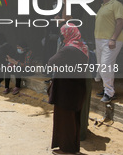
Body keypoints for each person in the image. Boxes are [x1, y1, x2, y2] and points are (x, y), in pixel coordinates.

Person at [48, 24, 88, 155]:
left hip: (65, 90)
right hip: (78, 89)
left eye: (63, 34)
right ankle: (72, 147)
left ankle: (66, 149)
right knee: (73, 120)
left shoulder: (68, 50)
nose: (62, 36)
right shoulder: (83, 48)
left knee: (65, 120)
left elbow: (51, 62)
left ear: (68, 34)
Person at [94, 0, 123, 103]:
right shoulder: (102, 6)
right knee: (103, 66)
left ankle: (109, 93)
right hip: (99, 39)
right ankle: (107, 89)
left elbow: (120, 22)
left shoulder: (116, 5)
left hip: (110, 40)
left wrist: (113, 39)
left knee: (105, 65)